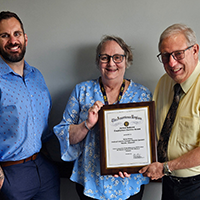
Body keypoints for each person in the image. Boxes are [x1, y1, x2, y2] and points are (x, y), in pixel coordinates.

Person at [54, 35, 152, 200]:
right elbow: (65, 134)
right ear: (98, 61)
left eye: (117, 57)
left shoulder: (143, 95)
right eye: (105, 57)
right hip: (91, 182)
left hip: (129, 184)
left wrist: (132, 162)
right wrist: (86, 124)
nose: (111, 63)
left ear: (126, 60)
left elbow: (149, 142)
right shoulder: (82, 91)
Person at [0, 11, 60, 200]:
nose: (12, 40)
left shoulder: (37, 76)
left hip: (44, 166)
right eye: (4, 35)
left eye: (16, 34)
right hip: (10, 174)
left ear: (25, 38)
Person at [139, 23, 200, 200]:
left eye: (178, 54)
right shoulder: (164, 83)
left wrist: (165, 167)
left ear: (195, 50)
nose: (172, 63)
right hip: (169, 183)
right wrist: (128, 163)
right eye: (165, 56)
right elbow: (152, 130)